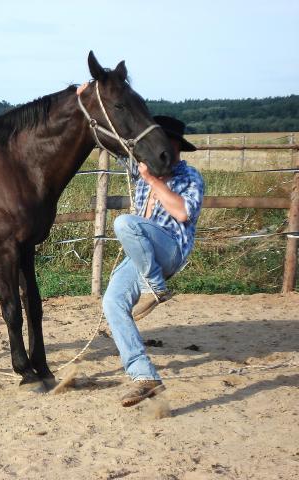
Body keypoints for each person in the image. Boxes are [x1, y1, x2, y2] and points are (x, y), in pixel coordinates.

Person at [102, 115, 204, 407]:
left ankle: (155, 288)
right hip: (143, 255)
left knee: (124, 223)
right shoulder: (142, 169)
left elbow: (183, 213)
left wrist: (152, 180)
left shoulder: (190, 177)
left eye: (166, 146)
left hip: (170, 249)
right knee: (112, 302)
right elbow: (117, 141)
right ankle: (144, 376)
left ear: (175, 147)